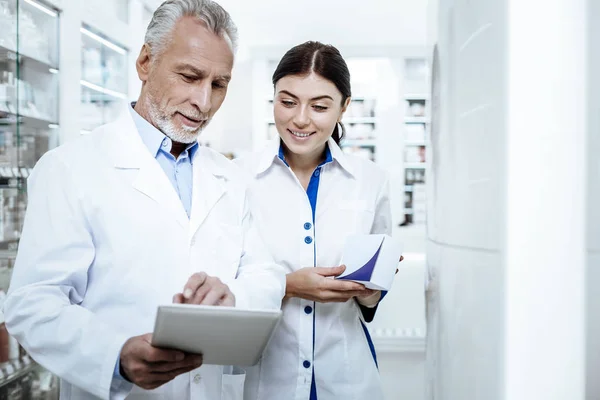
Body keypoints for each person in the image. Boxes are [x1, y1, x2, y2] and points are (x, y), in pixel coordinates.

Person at [3, 1, 285, 399]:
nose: (203, 102)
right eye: (189, 76)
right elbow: (32, 303)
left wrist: (234, 294)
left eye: (218, 84)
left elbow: (266, 274)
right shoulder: (70, 168)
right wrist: (114, 356)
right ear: (145, 62)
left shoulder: (229, 177)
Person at [235, 41, 398, 400]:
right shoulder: (238, 177)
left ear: (344, 108)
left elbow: (371, 300)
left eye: (320, 106)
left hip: (348, 377)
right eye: (287, 101)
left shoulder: (370, 181)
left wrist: (372, 291)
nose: (300, 119)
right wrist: (288, 285)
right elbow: (226, 284)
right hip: (269, 380)